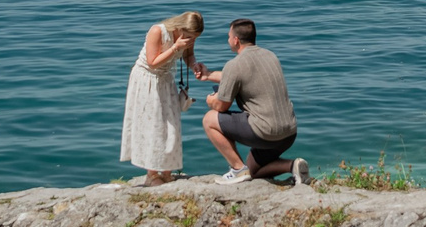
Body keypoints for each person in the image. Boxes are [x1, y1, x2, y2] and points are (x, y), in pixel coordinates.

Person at [200, 17, 305, 186]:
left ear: (235, 40)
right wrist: (208, 75)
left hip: (266, 132)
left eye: (228, 37)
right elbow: (242, 77)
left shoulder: (234, 65)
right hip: (289, 132)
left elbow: (222, 105)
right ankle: (293, 166)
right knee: (254, 172)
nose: (227, 40)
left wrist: (211, 100)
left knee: (209, 119)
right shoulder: (270, 56)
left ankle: (237, 169)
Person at [121, 11, 209, 185]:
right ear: (180, 27)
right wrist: (175, 47)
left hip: (166, 79)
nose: (192, 40)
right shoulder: (157, 31)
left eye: (195, 37)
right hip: (148, 79)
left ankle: (167, 171)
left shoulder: (188, 36)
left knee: (171, 124)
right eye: (190, 36)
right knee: (153, 124)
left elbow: (188, 55)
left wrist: (194, 65)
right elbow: (153, 62)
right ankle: (152, 173)